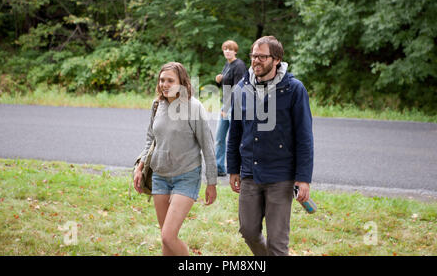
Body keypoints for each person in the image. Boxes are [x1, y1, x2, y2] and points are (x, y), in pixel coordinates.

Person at [227, 36, 314, 256]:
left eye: (262, 56)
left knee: (277, 242)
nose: (256, 61)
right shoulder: (241, 88)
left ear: (276, 60)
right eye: (253, 56)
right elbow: (235, 132)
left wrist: (303, 178)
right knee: (247, 231)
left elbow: (304, 136)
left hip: (281, 176)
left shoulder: (294, 89)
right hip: (249, 174)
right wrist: (233, 169)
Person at [133, 62, 217, 256]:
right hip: (160, 175)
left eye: (170, 80)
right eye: (162, 80)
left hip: (186, 176)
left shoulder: (193, 107)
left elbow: (208, 146)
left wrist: (211, 182)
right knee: (166, 238)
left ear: (182, 82)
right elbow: (150, 139)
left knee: (168, 237)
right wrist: (140, 166)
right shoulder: (157, 105)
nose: (165, 84)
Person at [214, 40, 246, 177]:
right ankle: (219, 168)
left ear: (235, 51)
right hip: (226, 104)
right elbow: (227, 83)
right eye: (225, 49)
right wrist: (221, 78)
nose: (227, 51)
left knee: (235, 138)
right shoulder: (228, 64)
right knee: (220, 137)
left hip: (234, 106)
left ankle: (239, 168)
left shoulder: (239, 66)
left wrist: (226, 108)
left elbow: (237, 90)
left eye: (230, 49)